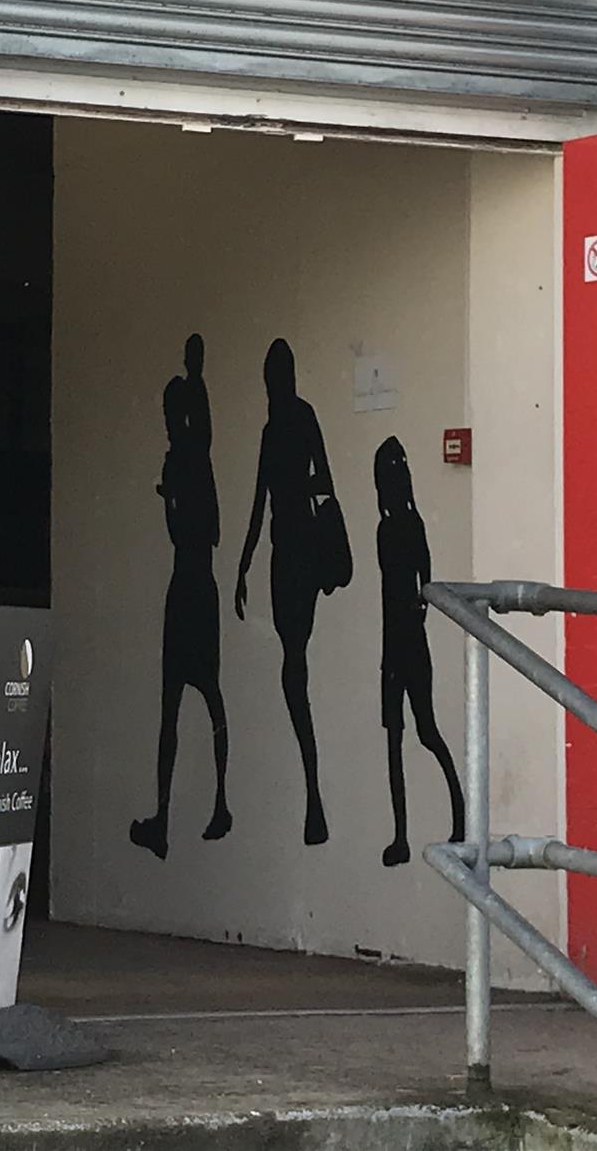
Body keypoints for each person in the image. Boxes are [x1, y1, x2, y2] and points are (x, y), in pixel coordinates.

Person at [235, 338, 340, 846]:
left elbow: (319, 484)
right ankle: (313, 794)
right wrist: (242, 565)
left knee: (293, 660)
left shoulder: (290, 421)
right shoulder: (282, 424)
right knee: (292, 661)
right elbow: (261, 500)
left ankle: (314, 793)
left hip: (295, 554)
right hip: (287, 554)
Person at [130, 338, 231, 860]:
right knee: (209, 695)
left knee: (174, 704)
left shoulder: (180, 462)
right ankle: (217, 802)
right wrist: (196, 372)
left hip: (185, 586)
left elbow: (178, 527)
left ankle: (166, 817)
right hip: (205, 586)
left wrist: (169, 499)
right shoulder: (203, 459)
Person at [373, 436, 465, 866]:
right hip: (396, 642)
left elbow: (423, 581)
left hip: (406, 641)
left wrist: (417, 610)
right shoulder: (392, 527)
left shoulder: (406, 526)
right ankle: (400, 835)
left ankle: (459, 818)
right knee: (395, 739)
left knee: (423, 732)